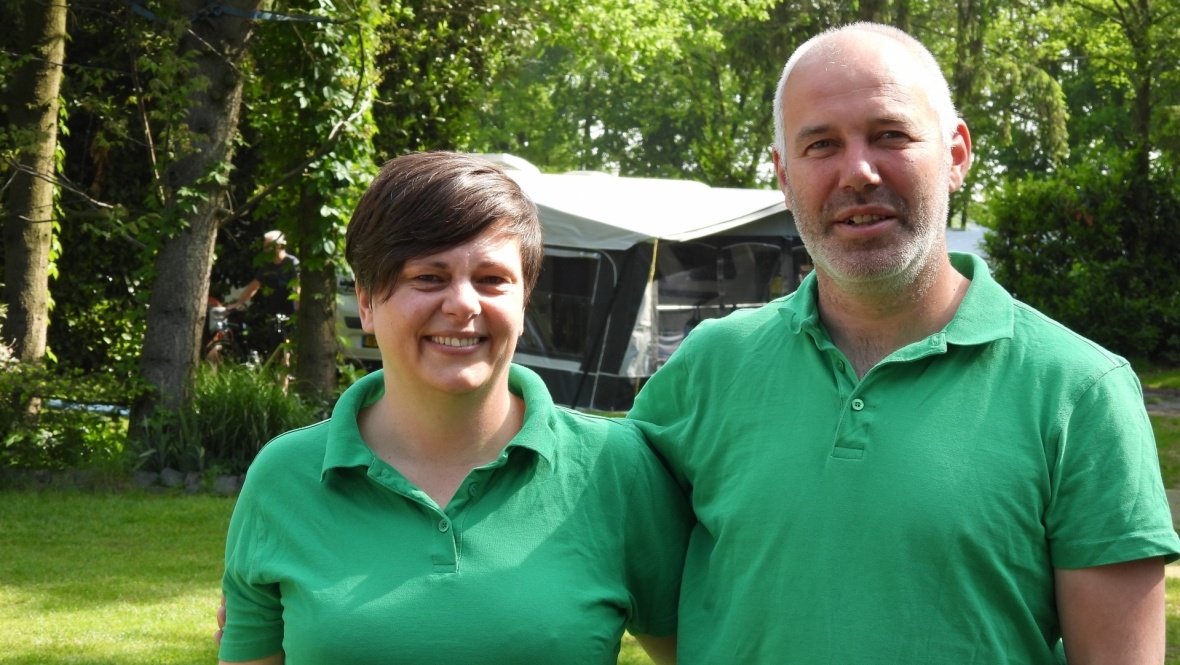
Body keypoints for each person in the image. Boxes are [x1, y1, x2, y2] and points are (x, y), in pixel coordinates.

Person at [627, 22, 1180, 664]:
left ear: (956, 153)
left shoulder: (1080, 391)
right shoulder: (709, 367)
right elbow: (638, 571)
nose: (857, 171)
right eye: (820, 145)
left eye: (890, 135)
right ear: (783, 174)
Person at [217, 152, 691, 665]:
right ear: (369, 302)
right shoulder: (283, 478)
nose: (464, 304)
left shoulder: (615, 470)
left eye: (491, 279)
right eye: (428, 277)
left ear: (524, 300)